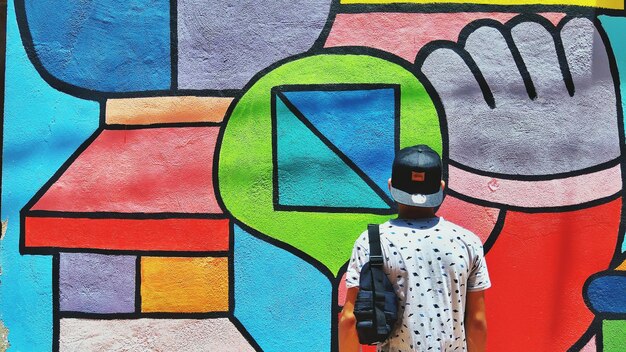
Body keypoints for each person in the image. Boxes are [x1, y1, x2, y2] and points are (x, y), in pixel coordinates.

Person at [339, 145, 491, 352]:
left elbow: (349, 319)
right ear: (441, 187)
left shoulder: (372, 241)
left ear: (391, 186)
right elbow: (477, 321)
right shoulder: (467, 242)